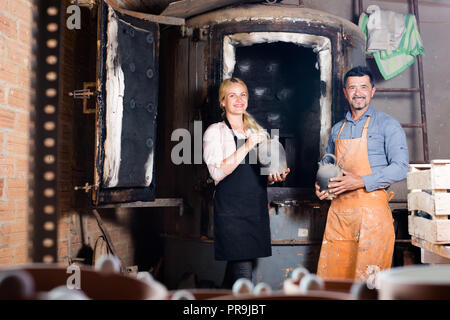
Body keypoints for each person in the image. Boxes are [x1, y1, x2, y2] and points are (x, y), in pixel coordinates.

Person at [315, 66, 409, 281]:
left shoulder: (388, 125)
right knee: (335, 283)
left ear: (372, 91)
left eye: (363, 87)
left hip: (372, 218)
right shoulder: (337, 129)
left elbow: (401, 166)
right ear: (345, 92)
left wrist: (360, 181)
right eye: (352, 88)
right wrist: (321, 185)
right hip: (339, 217)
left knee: (369, 285)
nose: (358, 92)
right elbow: (327, 163)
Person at [203, 77, 290, 288]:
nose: (239, 99)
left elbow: (260, 175)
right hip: (231, 211)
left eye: (243, 95)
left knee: (235, 271)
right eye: (232, 95)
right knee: (243, 274)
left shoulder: (256, 131)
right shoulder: (216, 132)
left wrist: (275, 176)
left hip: (255, 208)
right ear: (223, 101)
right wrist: (246, 145)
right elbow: (217, 172)